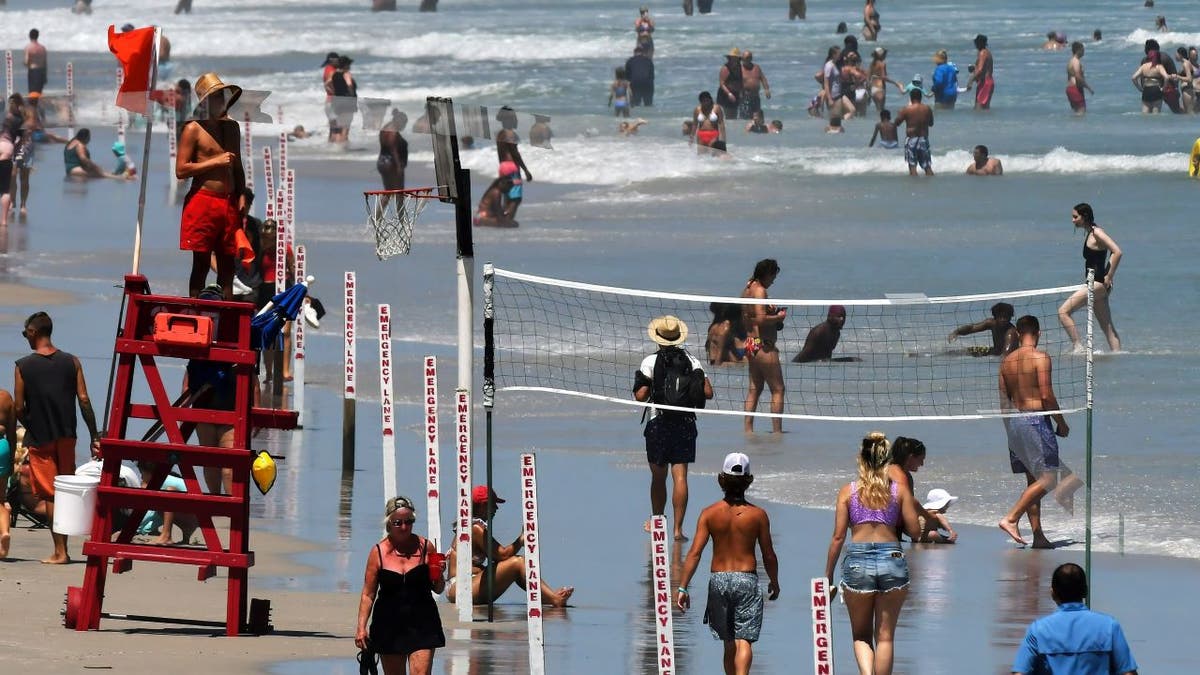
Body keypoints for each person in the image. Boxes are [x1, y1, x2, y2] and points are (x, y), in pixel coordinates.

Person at [824, 432, 921, 675]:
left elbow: (838, 537)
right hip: (892, 560)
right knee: (885, 637)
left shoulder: (848, 491)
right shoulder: (898, 490)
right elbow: (915, 531)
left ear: (862, 459)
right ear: (887, 460)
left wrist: (828, 575)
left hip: (857, 562)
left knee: (861, 635)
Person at [676, 453, 780, 675]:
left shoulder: (709, 514)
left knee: (728, 641)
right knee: (745, 640)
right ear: (748, 481)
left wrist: (683, 587)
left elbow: (695, 553)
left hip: (719, 580)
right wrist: (774, 581)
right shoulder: (758, 515)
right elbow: (768, 555)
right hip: (747, 579)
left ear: (720, 479)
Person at [14, 311, 102, 564]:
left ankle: (60, 551)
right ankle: (63, 549)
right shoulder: (72, 361)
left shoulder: (23, 366)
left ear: (33, 332)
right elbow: (84, 400)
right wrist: (94, 433)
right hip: (67, 436)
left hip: (41, 438)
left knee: (50, 494)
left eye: (25, 334)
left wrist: (30, 425)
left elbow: (19, 407)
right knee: (65, 491)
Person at [998, 315, 1082, 548]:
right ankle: (1011, 518)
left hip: (1014, 422)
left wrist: (1011, 432)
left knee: (1033, 482)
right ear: (1038, 333)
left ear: (1017, 332)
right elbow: (1046, 395)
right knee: (1050, 478)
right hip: (1036, 420)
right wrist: (1061, 423)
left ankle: (1038, 537)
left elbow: (1004, 403)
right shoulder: (1040, 357)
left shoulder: (1006, 362)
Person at [633, 315, 714, 541]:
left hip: (658, 423)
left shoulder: (650, 361)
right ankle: (678, 531)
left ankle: (657, 520)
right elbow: (708, 393)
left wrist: (651, 385)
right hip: (685, 423)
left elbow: (640, 396)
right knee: (681, 478)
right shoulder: (692, 361)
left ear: (658, 339)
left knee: (658, 477)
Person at [355, 496, 446, 675]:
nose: (404, 527)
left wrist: (439, 573)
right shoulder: (378, 552)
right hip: (389, 625)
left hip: (423, 623)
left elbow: (438, 588)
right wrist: (361, 627)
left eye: (409, 521)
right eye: (398, 522)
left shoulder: (426, 547)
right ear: (388, 523)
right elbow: (368, 594)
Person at [176, 73, 247, 300]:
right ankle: (194, 310)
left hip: (228, 202)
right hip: (203, 200)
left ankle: (224, 315)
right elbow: (181, 170)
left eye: (222, 97)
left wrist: (242, 195)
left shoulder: (232, 128)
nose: (221, 102)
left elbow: (237, 167)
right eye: (216, 98)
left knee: (228, 266)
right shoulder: (193, 129)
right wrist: (215, 161)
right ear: (205, 103)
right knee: (202, 264)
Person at [446, 485, 574, 606]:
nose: (496, 508)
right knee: (518, 563)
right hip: (461, 588)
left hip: (465, 585)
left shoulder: (470, 526)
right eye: (494, 504)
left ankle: (549, 597)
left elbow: (497, 558)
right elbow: (502, 555)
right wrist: (521, 540)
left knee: (516, 568)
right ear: (483, 506)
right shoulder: (475, 528)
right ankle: (553, 599)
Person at [1011, 563, 1139, 675]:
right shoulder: (1109, 626)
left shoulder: (1038, 629)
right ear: (1085, 591)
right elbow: (1127, 672)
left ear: (1053, 593)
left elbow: (1020, 672)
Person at [1058, 203, 1122, 352]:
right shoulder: (1090, 232)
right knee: (1107, 328)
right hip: (1096, 284)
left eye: (1075, 217)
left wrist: (1109, 276)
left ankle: (1078, 347)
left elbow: (1117, 252)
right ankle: (1119, 357)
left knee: (1063, 312)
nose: (1072, 220)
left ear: (1084, 216)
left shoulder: (1097, 232)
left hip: (1097, 284)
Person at [741, 259, 787, 434]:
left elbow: (750, 316)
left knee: (755, 388)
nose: (774, 280)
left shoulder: (748, 288)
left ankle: (748, 430)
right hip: (764, 346)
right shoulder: (760, 290)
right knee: (778, 389)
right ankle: (777, 432)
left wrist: (769, 310)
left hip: (751, 343)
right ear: (767, 274)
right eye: (773, 276)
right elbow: (760, 319)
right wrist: (778, 317)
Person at [887, 437, 957, 544]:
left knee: (929, 516)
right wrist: (926, 515)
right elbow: (909, 501)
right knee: (928, 516)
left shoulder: (905, 475)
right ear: (911, 457)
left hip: (892, 522)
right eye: (921, 459)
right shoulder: (899, 475)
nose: (922, 464)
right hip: (886, 522)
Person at [948, 301, 1018, 356]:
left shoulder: (1011, 332)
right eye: (1000, 317)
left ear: (1010, 317)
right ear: (995, 316)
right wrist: (956, 332)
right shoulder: (991, 323)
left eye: (1005, 317)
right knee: (957, 352)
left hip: (1004, 354)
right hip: (993, 351)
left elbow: (1006, 353)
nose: (1003, 320)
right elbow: (972, 328)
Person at [893, 88, 934, 176]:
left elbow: (896, 123)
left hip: (912, 139)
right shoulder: (927, 109)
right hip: (923, 139)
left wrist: (899, 114)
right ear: (921, 97)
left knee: (912, 166)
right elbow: (931, 124)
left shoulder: (906, 109)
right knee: (927, 167)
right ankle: (931, 187)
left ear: (911, 98)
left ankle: (914, 188)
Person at [495, 106, 533, 181]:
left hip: (503, 167)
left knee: (507, 192)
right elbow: (515, 154)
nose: (517, 120)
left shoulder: (500, 134)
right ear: (509, 120)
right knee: (515, 192)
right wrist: (526, 170)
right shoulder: (511, 134)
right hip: (512, 168)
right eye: (515, 117)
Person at [377, 109, 408, 191]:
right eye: (404, 124)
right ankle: (400, 204)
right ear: (399, 121)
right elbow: (393, 150)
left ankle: (380, 204)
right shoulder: (393, 132)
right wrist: (398, 166)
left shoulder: (386, 128)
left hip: (383, 161)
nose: (404, 126)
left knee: (389, 191)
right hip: (391, 164)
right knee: (399, 191)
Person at [0, 388, 15, 559]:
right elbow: (11, 432)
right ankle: (4, 532)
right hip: (2, 447)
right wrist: (10, 461)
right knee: (1, 499)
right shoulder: (5, 397)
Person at [330, 56, 358, 143]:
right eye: (349, 64)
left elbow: (328, 84)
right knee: (345, 128)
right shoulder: (346, 74)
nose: (350, 66)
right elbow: (349, 86)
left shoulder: (334, 74)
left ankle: (336, 147)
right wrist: (353, 97)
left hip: (337, 101)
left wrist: (335, 92)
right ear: (345, 65)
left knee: (339, 128)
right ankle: (342, 148)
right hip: (347, 102)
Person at [964, 35, 995, 110]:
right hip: (988, 82)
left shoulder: (982, 53)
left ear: (979, 43)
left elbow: (980, 70)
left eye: (976, 43)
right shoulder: (987, 52)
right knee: (984, 109)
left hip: (985, 83)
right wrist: (974, 68)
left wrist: (970, 81)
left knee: (978, 109)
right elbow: (983, 68)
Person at [738, 51, 771, 120]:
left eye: (747, 58)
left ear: (751, 58)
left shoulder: (756, 67)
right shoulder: (739, 69)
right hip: (744, 97)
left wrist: (767, 89)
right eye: (743, 58)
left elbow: (763, 78)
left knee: (757, 117)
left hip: (756, 97)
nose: (744, 60)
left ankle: (755, 130)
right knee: (745, 117)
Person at [868, 47, 901, 114]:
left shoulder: (872, 64)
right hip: (880, 89)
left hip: (873, 89)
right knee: (881, 111)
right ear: (881, 55)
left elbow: (868, 77)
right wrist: (895, 83)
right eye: (885, 54)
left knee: (878, 110)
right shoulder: (882, 64)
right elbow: (884, 78)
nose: (885, 56)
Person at [1066, 41, 1095, 114]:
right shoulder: (1076, 62)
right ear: (1078, 50)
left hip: (1070, 89)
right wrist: (1088, 88)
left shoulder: (1070, 61)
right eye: (1083, 49)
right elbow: (1078, 76)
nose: (1084, 51)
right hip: (1075, 89)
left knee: (1076, 113)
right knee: (1081, 113)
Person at [717, 48, 743, 120]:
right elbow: (722, 83)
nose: (734, 59)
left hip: (736, 93)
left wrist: (741, 92)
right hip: (725, 94)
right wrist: (729, 94)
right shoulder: (725, 68)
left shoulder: (740, 67)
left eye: (735, 58)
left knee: (734, 116)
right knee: (728, 115)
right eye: (732, 58)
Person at [23, 29, 47, 102]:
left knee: (33, 94)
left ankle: (33, 109)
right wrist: (45, 76)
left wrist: (25, 64)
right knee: (39, 93)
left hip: (33, 71)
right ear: (37, 36)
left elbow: (26, 61)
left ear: (29, 36)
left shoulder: (29, 47)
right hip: (41, 72)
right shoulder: (42, 48)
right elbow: (45, 63)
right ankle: (40, 109)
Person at [320, 52, 339, 142]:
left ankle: (331, 149)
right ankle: (337, 150)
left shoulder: (328, 69)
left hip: (330, 101)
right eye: (337, 59)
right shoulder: (330, 70)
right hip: (333, 101)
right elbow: (329, 82)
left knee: (333, 129)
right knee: (337, 129)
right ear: (332, 60)